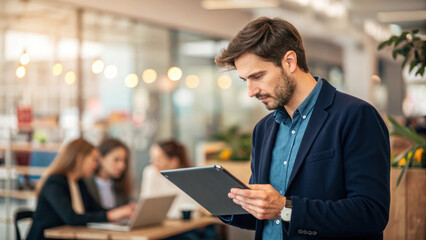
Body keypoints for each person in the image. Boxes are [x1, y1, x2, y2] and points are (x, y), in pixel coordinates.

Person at [214, 17, 390, 240]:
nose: (251, 91)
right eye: (244, 80)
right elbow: (264, 215)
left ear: (289, 62)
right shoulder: (263, 129)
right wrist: (221, 201)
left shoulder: (355, 116)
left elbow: (371, 214)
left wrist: (285, 207)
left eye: (257, 76)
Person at [28, 138, 135, 240]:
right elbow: (72, 218)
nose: (95, 165)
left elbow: (97, 210)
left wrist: (123, 212)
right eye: (93, 160)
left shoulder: (79, 183)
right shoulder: (55, 183)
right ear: (80, 158)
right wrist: (111, 215)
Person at [141, 139, 197, 219]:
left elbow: (191, 209)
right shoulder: (150, 172)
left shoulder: (189, 178)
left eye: (158, 159)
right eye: (152, 159)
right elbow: (145, 206)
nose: (153, 163)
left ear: (174, 162)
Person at [84, 138, 133, 209]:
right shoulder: (86, 184)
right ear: (101, 158)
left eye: (124, 160)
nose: (122, 166)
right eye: (116, 160)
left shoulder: (121, 186)